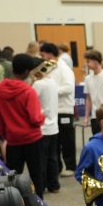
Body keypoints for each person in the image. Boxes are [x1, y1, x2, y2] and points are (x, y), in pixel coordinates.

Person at [0, 53, 46, 195]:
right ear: (27, 71)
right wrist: (43, 116)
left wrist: (5, 135)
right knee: (37, 176)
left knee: (12, 178)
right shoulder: (29, 91)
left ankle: (14, 204)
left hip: (12, 140)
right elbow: (35, 119)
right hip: (32, 139)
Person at [39, 42, 77, 176]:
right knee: (55, 142)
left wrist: (51, 91)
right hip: (52, 109)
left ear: (49, 54)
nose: (42, 57)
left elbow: (68, 88)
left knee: (67, 140)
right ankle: (58, 167)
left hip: (64, 109)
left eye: (43, 54)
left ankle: (71, 166)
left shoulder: (64, 68)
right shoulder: (47, 67)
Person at [32, 58, 61, 193]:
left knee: (41, 159)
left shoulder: (38, 85)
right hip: (53, 125)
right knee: (52, 157)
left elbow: (31, 101)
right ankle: (54, 184)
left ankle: (41, 185)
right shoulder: (52, 82)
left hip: (42, 127)